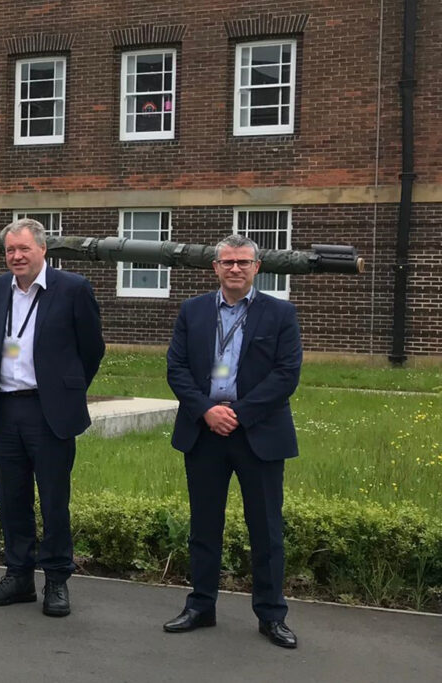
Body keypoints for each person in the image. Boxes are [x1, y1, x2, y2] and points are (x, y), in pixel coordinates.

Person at [163, 234, 301, 649]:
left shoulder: (280, 313)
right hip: (204, 433)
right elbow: (177, 368)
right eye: (228, 262)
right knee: (204, 527)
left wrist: (237, 414)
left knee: (266, 529)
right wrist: (207, 410)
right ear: (216, 268)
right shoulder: (193, 311)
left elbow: (286, 374)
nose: (235, 268)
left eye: (243, 262)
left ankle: (271, 615)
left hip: (258, 435)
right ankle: (201, 606)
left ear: (257, 267)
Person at [0, 218, 104, 617]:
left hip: (49, 411)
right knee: (12, 499)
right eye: (10, 250)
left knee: (53, 500)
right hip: (6, 408)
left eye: (24, 249)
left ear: (42, 250)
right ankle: (18, 577)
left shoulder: (73, 289)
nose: (16, 257)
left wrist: (66, 389)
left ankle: (57, 580)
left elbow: (92, 348)